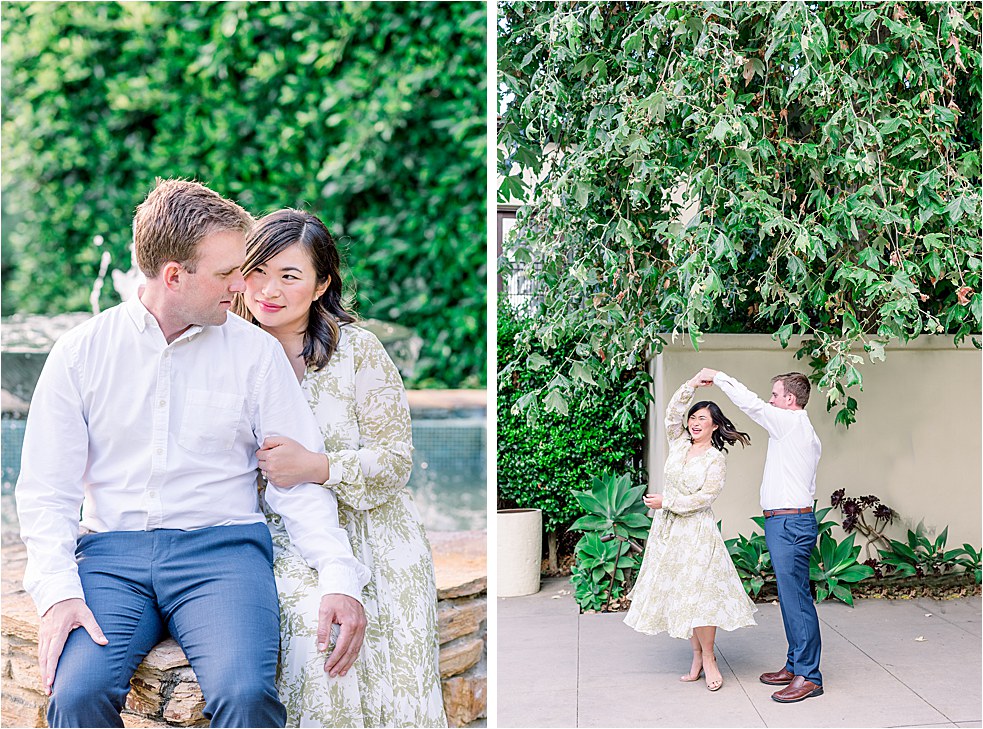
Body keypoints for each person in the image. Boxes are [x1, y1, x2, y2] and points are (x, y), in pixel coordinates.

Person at [15, 180, 370, 728]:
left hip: (222, 554)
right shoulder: (80, 354)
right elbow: (46, 491)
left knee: (246, 694)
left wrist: (339, 576)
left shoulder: (255, 354)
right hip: (111, 558)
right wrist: (57, 592)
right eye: (228, 273)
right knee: (77, 693)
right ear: (174, 275)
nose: (242, 287)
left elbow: (293, 480)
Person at [233, 209, 447, 728]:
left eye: (289, 275)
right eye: (257, 271)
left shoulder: (358, 352)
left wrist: (315, 466)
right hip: (285, 540)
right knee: (314, 639)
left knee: (390, 691)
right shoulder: (228, 352)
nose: (268, 289)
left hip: (376, 535)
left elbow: (396, 461)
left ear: (321, 282)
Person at [696, 367, 824, 703]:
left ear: (790, 400)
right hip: (788, 522)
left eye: (775, 395)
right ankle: (796, 664)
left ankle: (809, 676)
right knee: (791, 598)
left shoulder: (791, 422)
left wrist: (719, 377)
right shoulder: (797, 431)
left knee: (797, 601)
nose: (770, 401)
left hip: (789, 524)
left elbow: (751, 405)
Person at [624, 372, 757, 692]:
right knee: (683, 595)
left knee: (702, 595)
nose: (696, 422)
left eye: (703, 419)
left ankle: (710, 658)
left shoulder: (715, 459)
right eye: (694, 417)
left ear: (715, 426)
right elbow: (672, 412)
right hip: (668, 532)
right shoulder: (679, 442)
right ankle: (696, 656)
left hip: (697, 531)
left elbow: (705, 498)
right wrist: (692, 384)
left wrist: (666, 501)